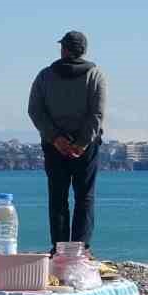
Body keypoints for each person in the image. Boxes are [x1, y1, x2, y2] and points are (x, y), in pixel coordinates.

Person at [27, 29, 107, 251]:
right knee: (85, 197)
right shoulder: (95, 75)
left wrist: (55, 138)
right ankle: (80, 248)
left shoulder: (45, 75)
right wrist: (82, 142)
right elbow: (97, 114)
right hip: (86, 147)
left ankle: (59, 248)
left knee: (58, 198)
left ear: (64, 49)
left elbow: (35, 110)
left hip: (54, 147)